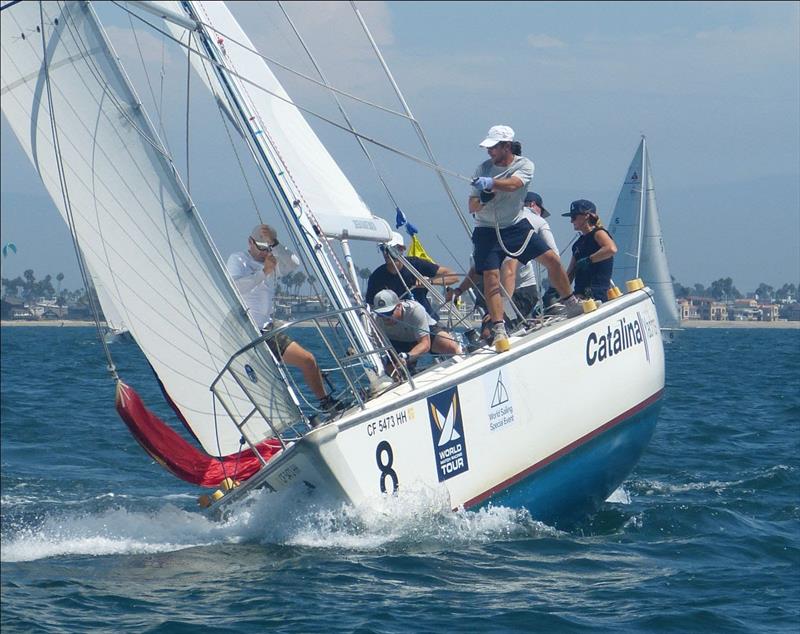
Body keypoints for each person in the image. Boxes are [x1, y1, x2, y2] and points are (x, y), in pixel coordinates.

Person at [469, 125, 581, 352]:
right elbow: (472, 206)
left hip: (515, 225)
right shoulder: (482, 169)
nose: (489, 152)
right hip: (487, 229)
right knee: (491, 276)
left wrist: (492, 184)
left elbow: (515, 184)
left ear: (506, 146)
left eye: (493, 147)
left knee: (551, 259)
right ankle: (499, 326)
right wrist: (483, 198)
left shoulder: (524, 164)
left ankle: (570, 301)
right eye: (488, 147)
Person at [227, 224, 339, 412]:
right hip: (247, 329)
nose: (264, 252)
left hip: (266, 328)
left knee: (308, 360)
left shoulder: (271, 260)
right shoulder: (238, 259)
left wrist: (275, 245)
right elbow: (237, 287)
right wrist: (264, 273)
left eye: (267, 247)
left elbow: (293, 262)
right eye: (261, 247)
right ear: (250, 243)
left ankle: (326, 402)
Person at [365, 231, 459, 321]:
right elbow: (370, 305)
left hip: (427, 319)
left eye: (390, 249)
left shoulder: (415, 265)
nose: (386, 253)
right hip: (396, 325)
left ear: (401, 249)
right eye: (383, 249)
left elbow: (454, 276)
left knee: (444, 337)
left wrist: (429, 282)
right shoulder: (377, 277)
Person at [371, 289, 461, 376]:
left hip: (425, 332)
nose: (385, 318)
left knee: (451, 346)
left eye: (389, 313)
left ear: (399, 306)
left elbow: (425, 344)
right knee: (392, 371)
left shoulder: (415, 310)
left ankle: (460, 369)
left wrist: (408, 356)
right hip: (399, 341)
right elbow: (381, 348)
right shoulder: (377, 320)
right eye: (381, 314)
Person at [562, 200, 618, 299]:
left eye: (574, 217)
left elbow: (611, 249)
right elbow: (570, 273)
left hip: (598, 294)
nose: (571, 221)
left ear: (586, 216)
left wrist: (589, 260)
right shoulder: (577, 245)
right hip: (580, 294)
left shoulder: (598, 233)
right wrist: (557, 293)